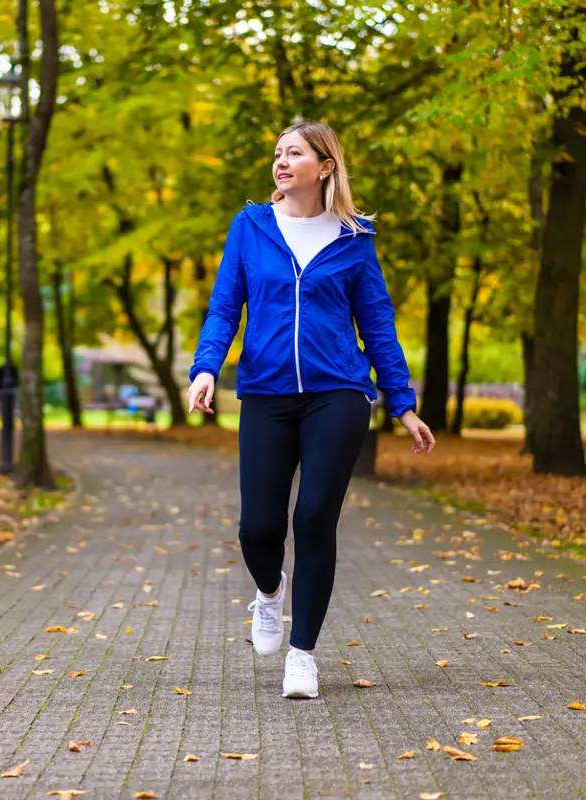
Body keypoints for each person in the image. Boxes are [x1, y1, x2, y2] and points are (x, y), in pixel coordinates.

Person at [187, 121, 435, 700]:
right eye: (277, 152)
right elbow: (225, 307)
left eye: (294, 153)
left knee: (315, 518)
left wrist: (403, 404)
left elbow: (376, 323)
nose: (280, 161)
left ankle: (303, 656)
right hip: (267, 394)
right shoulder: (250, 227)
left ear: (325, 166)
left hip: (339, 395)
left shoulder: (354, 237)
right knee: (259, 527)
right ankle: (269, 595)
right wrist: (206, 367)